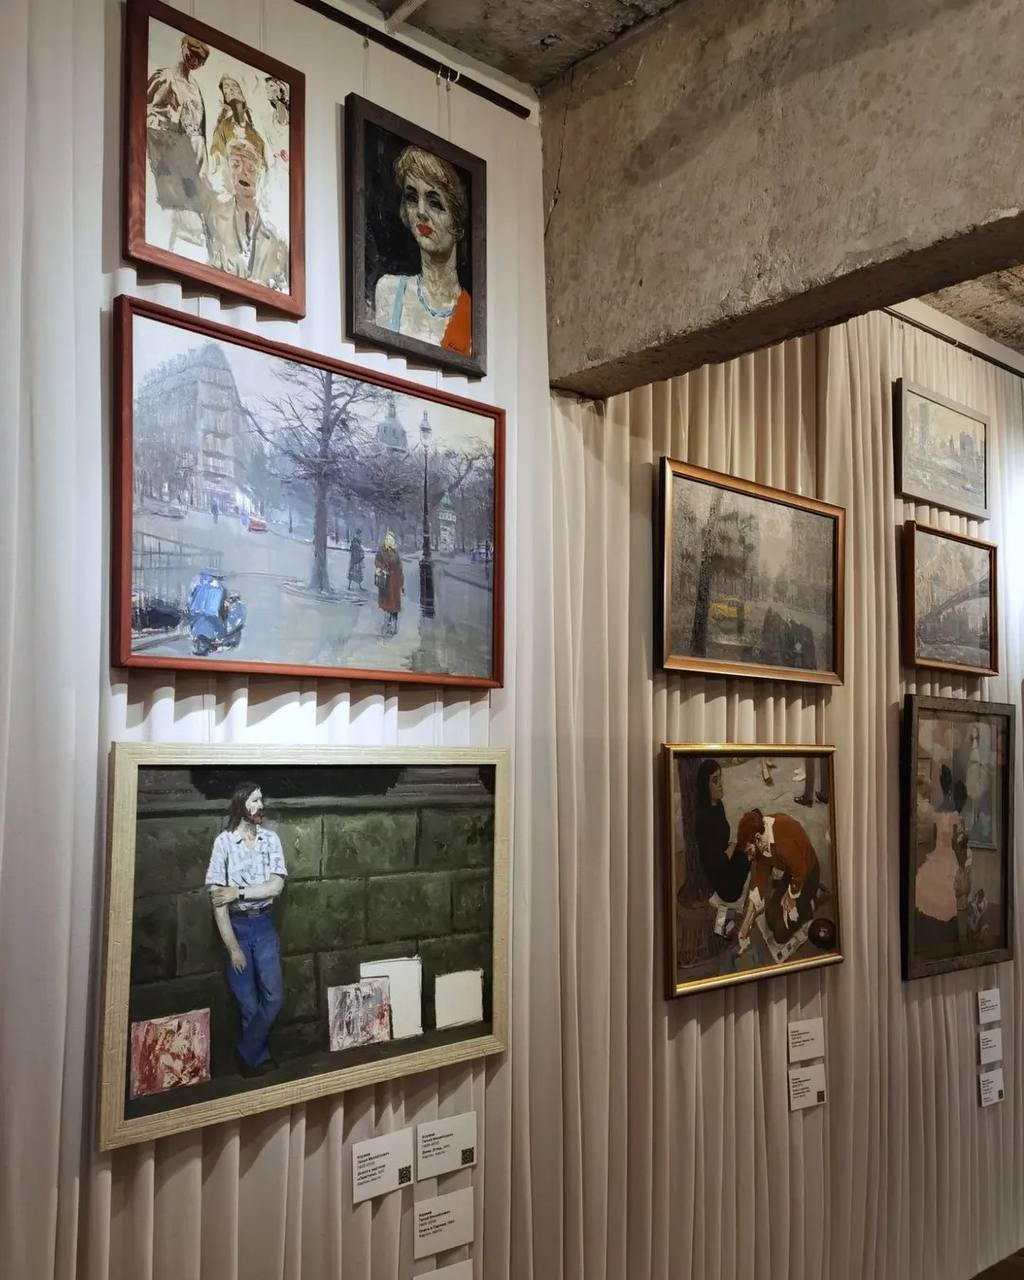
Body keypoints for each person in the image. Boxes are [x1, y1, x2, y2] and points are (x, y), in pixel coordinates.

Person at [205, 782, 287, 1077]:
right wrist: (232, 947)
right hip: (237, 928)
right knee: (247, 1001)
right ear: (240, 805)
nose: (260, 805)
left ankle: (244, 1051)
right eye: (254, 800)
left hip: (264, 925)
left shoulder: (271, 840)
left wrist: (237, 892)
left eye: (261, 799)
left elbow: (276, 886)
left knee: (274, 997)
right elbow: (218, 900)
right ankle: (257, 1059)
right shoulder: (224, 843)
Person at [374, 146, 472, 356]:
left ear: (456, 221)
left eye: (434, 203)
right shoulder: (390, 291)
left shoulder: (474, 315)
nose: (420, 212)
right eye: (412, 198)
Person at [145, 34, 211, 250]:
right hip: (173, 148)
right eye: (192, 53)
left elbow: (199, 123)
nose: (194, 60)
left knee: (193, 211)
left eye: (200, 58)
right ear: (183, 48)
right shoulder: (166, 77)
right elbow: (149, 110)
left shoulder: (195, 87)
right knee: (173, 207)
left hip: (194, 149)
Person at [735, 808, 821, 947]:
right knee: (770, 917)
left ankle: (809, 906)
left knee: (780, 934)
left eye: (749, 850)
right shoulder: (761, 841)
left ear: (757, 838)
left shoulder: (783, 840)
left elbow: (800, 870)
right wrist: (746, 924)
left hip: (807, 873)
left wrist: (792, 896)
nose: (749, 858)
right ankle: (801, 904)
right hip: (791, 872)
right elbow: (760, 882)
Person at [692, 759, 748, 907]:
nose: (720, 784)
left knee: (752, 827)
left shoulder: (718, 805)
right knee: (750, 849)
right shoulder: (703, 819)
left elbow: (722, 840)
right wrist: (733, 846)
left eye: (720, 778)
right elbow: (717, 861)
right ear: (705, 786)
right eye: (715, 780)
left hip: (726, 863)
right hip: (723, 882)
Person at [374, 530, 404, 636]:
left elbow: (400, 568)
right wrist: (382, 568)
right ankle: (387, 624)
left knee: (395, 606)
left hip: (395, 582)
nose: (388, 540)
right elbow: (376, 561)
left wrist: (402, 583)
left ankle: (393, 626)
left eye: (390, 539)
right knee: (387, 605)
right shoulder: (381, 551)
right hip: (386, 582)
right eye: (387, 539)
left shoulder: (396, 552)